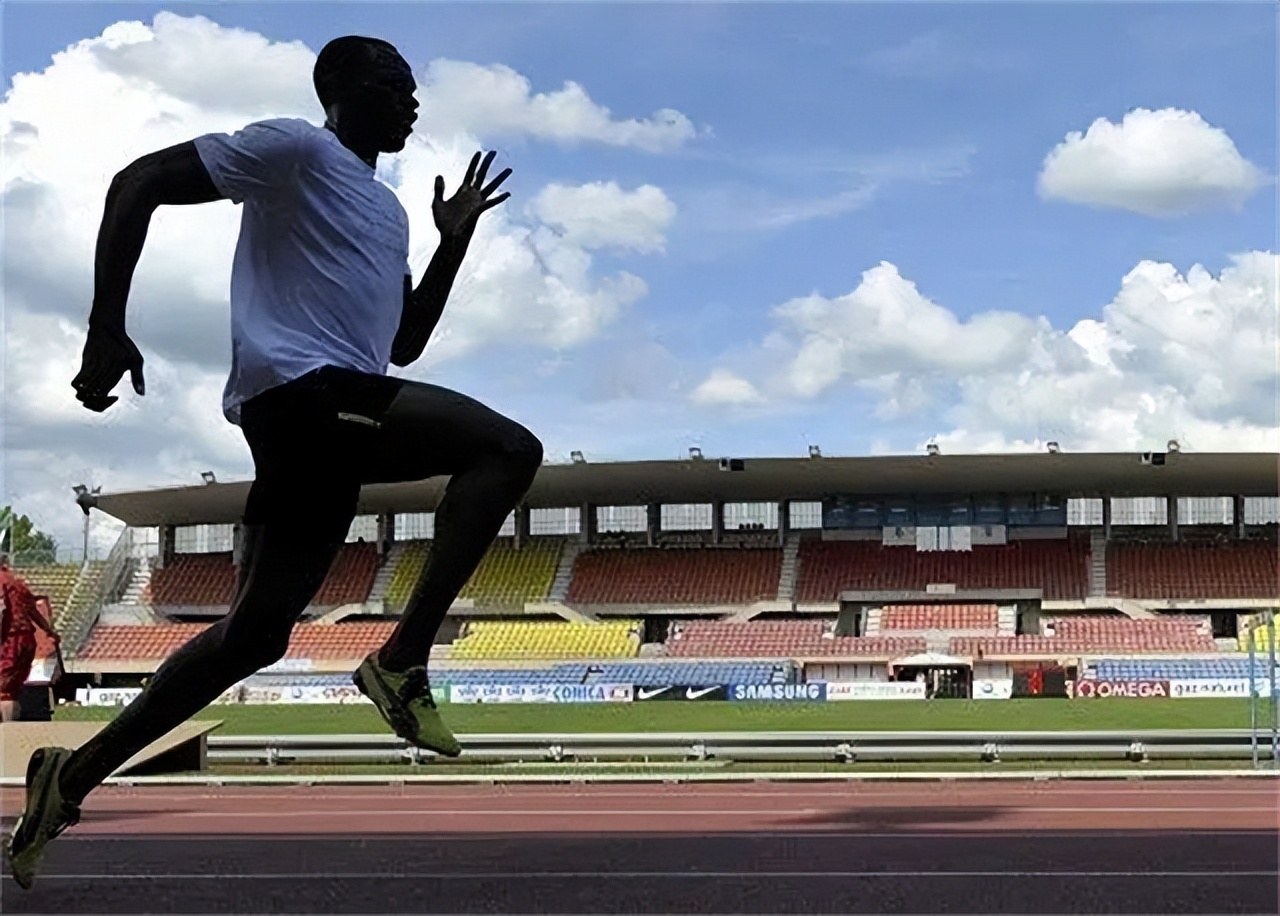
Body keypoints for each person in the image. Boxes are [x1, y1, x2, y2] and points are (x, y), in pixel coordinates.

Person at [5, 35, 542, 889]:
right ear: (340, 89)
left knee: (253, 636)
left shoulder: (388, 212)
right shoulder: (295, 148)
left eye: (414, 88)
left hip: (331, 423)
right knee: (508, 449)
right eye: (394, 83)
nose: (411, 100)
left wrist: (453, 241)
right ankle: (403, 659)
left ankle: (69, 778)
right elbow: (137, 183)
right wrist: (106, 323)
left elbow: (404, 342)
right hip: (303, 396)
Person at [0, 556, 62, 722]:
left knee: (3, 691)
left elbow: (1, 610)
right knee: (12, 689)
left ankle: (6, 728)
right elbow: (33, 612)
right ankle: (14, 726)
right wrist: (49, 631)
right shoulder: (19, 584)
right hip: (27, 640)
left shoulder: (1, 581)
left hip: (11, 638)